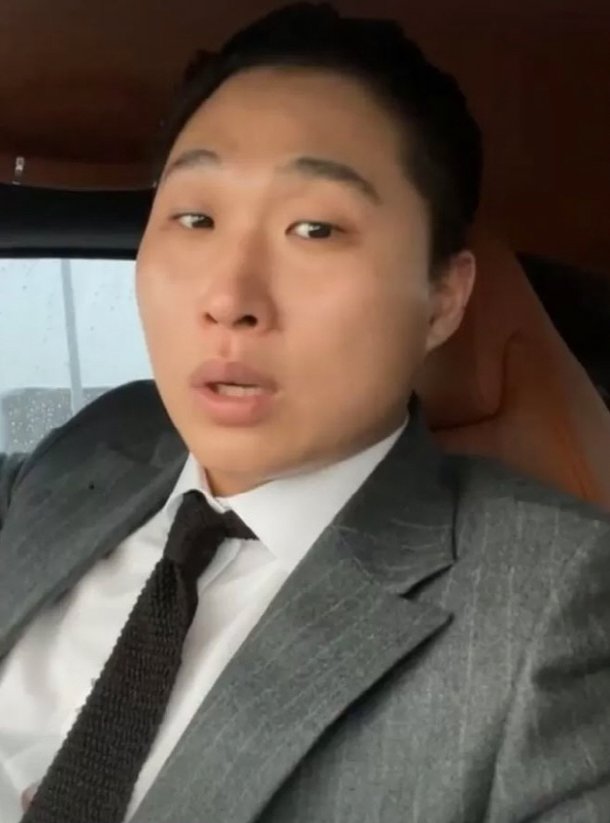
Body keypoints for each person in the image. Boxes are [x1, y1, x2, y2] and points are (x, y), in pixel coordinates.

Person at [1, 3, 610, 821]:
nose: (229, 298)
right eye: (195, 217)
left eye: (315, 229)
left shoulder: (557, 605)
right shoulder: (99, 443)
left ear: (442, 298)